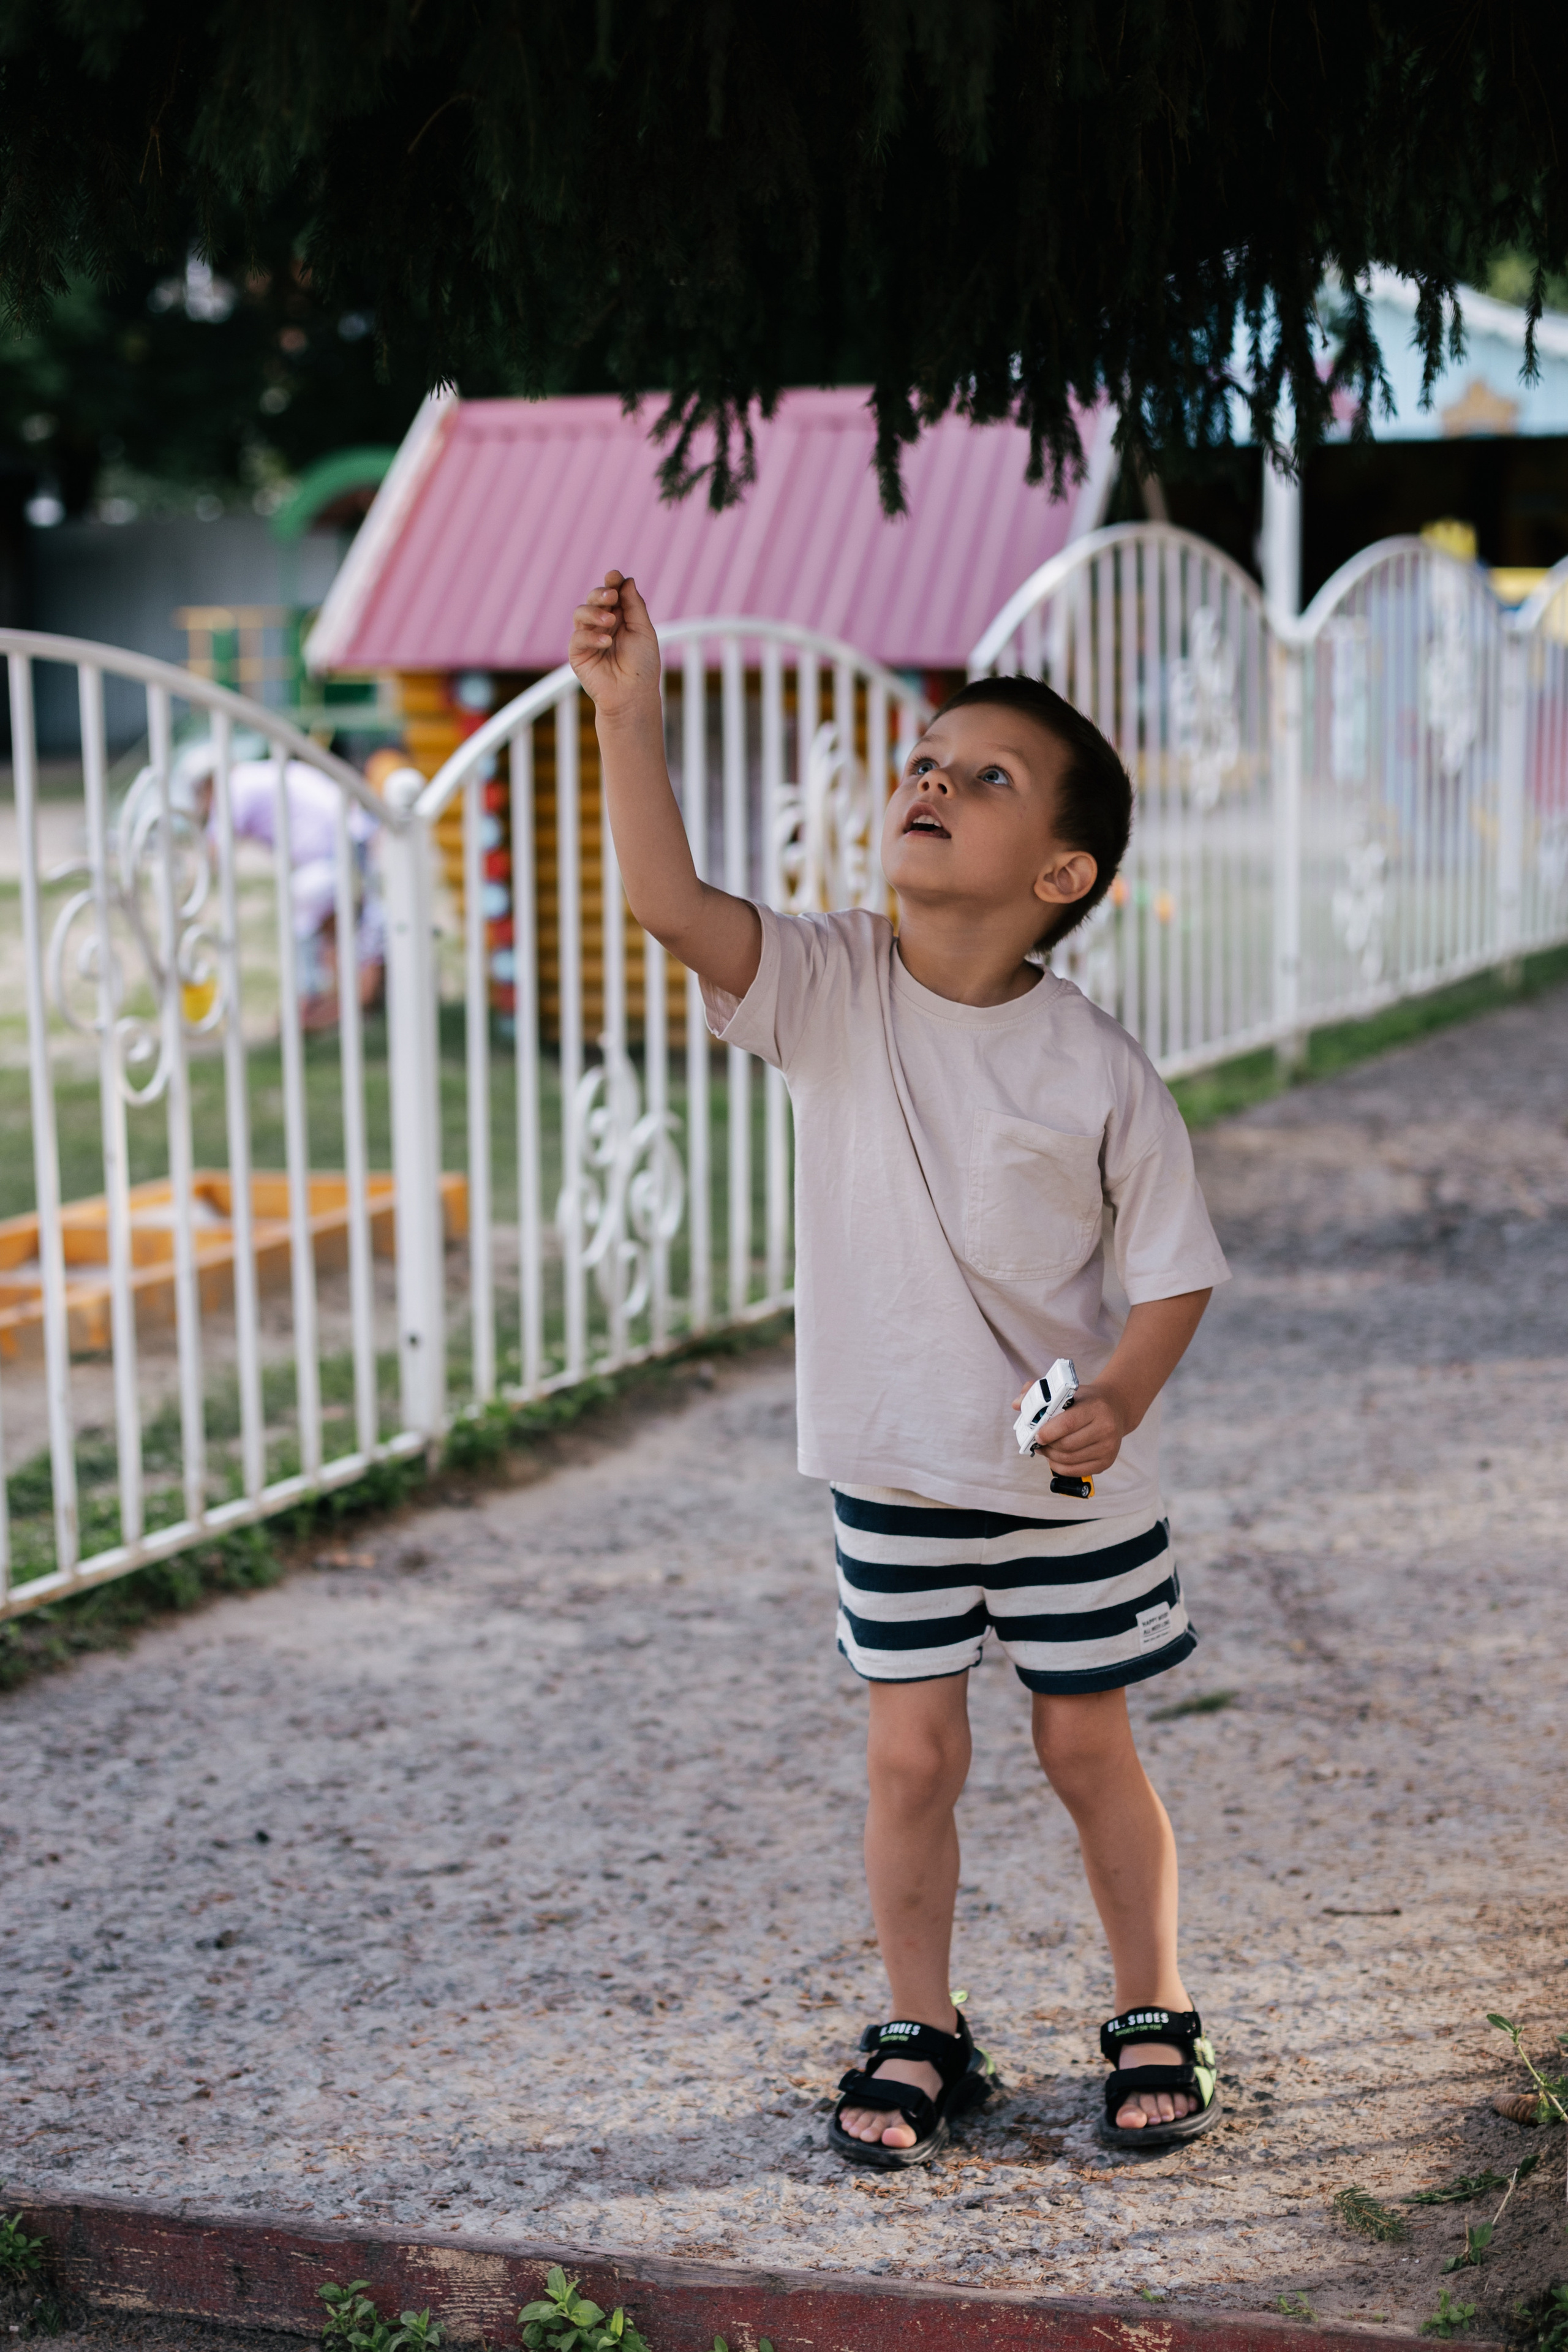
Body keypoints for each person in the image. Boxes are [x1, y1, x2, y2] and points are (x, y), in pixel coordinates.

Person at [568, 571, 1232, 2168]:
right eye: (924, 760)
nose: (929, 780)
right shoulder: (828, 985)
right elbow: (669, 905)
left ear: (1063, 874)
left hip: (1070, 1491)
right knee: (910, 1755)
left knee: (1086, 1747)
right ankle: (923, 2028)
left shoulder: (1099, 1067)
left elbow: (1175, 1274)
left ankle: (1155, 2006)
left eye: (984, 775)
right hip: (893, 1474)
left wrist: (1121, 1401)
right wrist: (627, 717)